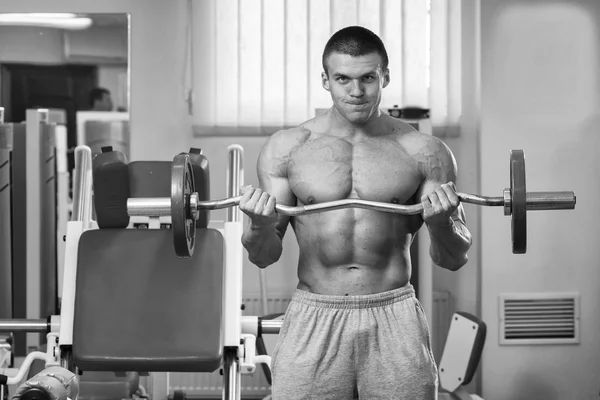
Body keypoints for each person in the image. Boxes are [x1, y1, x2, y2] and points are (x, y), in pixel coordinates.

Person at [240, 26, 472, 399]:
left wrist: (444, 222)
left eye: (368, 78)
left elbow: (453, 257)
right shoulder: (288, 148)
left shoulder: (424, 151)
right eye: (343, 79)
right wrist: (259, 224)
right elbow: (263, 254)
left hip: (394, 313)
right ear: (325, 80)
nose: (356, 91)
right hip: (314, 312)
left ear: (386, 76)